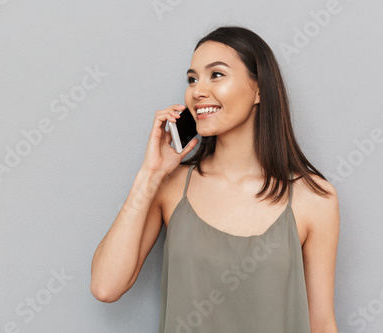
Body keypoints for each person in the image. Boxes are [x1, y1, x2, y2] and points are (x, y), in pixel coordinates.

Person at [91, 25, 340, 333]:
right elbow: (105, 286)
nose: (198, 90)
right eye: (192, 79)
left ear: (259, 89)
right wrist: (149, 175)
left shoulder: (314, 198)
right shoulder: (170, 187)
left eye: (216, 75)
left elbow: (321, 323)